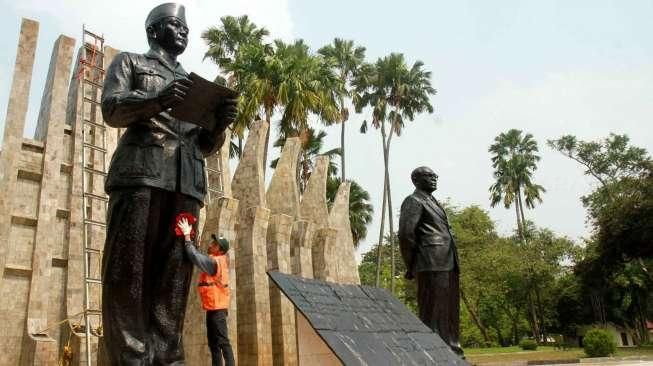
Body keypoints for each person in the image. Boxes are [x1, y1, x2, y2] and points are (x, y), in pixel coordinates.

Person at [100, 3, 237, 364]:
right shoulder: (131, 63)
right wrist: (157, 100)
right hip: (141, 177)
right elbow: (112, 109)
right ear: (154, 31)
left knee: (174, 278)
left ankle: (167, 355)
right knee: (127, 272)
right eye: (176, 26)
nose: (184, 33)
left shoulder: (194, 86)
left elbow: (204, 145)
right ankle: (129, 356)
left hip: (185, 186)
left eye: (186, 29)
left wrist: (218, 125)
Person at [398, 166, 464, 357]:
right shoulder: (413, 201)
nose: (435, 178)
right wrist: (411, 264)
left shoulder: (432, 201)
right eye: (429, 175)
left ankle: (453, 350)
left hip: (448, 260)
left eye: (435, 175)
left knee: (450, 308)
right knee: (433, 309)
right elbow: (405, 235)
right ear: (416, 180)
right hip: (430, 262)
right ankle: (436, 352)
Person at [177, 218, 234, 366]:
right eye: (213, 242)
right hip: (213, 309)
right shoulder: (215, 259)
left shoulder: (214, 262)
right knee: (214, 344)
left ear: (220, 250)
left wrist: (187, 236)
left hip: (217, 310)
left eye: (215, 244)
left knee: (223, 342)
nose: (211, 244)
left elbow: (194, 256)